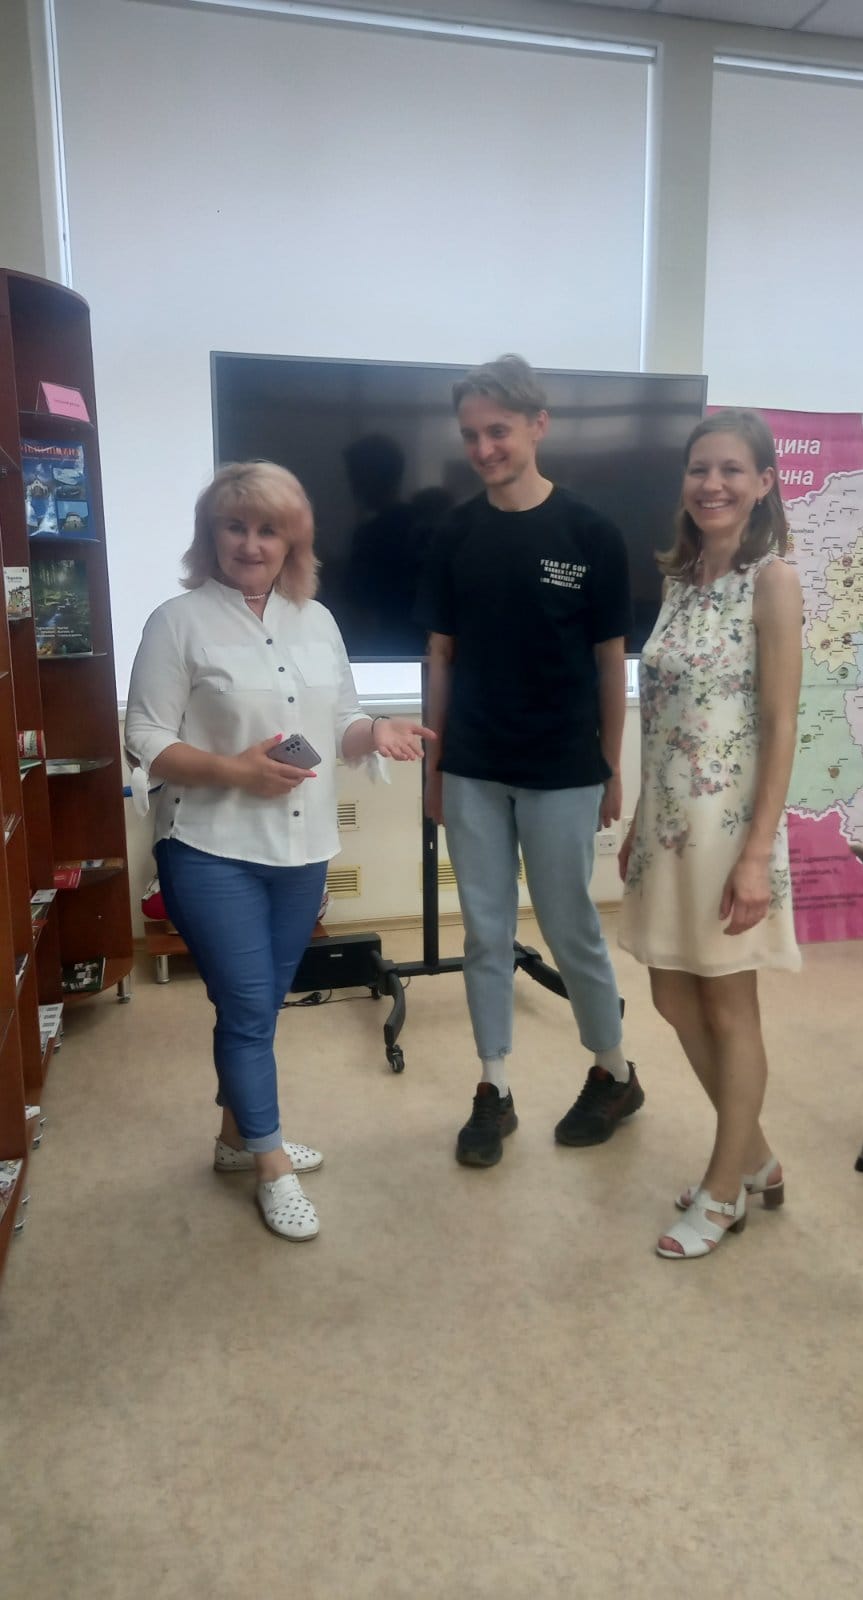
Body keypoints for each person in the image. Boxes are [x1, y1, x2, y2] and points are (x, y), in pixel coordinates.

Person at [125, 460, 433, 1241]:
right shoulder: (177, 621)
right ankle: (270, 1163)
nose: (251, 543)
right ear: (211, 533)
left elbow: (342, 721)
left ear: (293, 540)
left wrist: (377, 731)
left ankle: (236, 1137)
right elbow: (146, 735)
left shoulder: (316, 619)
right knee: (247, 1005)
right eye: (235, 526)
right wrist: (234, 769)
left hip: (302, 848)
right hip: (209, 845)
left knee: (257, 1005)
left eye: (269, 530)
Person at [417, 354, 642, 1167]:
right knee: (485, 932)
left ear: (538, 426)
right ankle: (494, 1086)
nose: (484, 449)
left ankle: (614, 1071)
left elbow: (610, 663)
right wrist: (434, 770)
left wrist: (611, 765)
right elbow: (440, 656)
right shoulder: (454, 533)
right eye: (471, 435)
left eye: (499, 431)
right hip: (473, 765)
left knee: (570, 925)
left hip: (563, 767)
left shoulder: (591, 533)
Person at [617, 409, 803, 1261]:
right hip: (668, 827)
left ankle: (725, 1188)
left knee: (729, 1006)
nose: (712, 484)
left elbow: (781, 722)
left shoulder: (773, 580)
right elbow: (662, 718)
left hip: (731, 831)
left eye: (731, 470)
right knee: (669, 994)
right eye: (699, 468)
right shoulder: (681, 579)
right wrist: (639, 821)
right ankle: (757, 1156)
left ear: (764, 483)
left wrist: (758, 853)